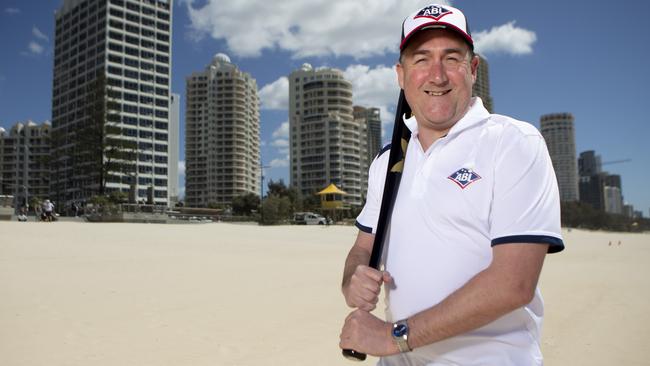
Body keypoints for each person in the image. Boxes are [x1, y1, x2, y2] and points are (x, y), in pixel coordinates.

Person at [339, 4, 564, 366]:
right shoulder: (387, 161)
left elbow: (514, 284)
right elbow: (363, 247)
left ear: (473, 69)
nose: (437, 75)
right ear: (401, 74)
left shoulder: (513, 142)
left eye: (452, 58)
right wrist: (352, 279)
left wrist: (394, 336)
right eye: (422, 59)